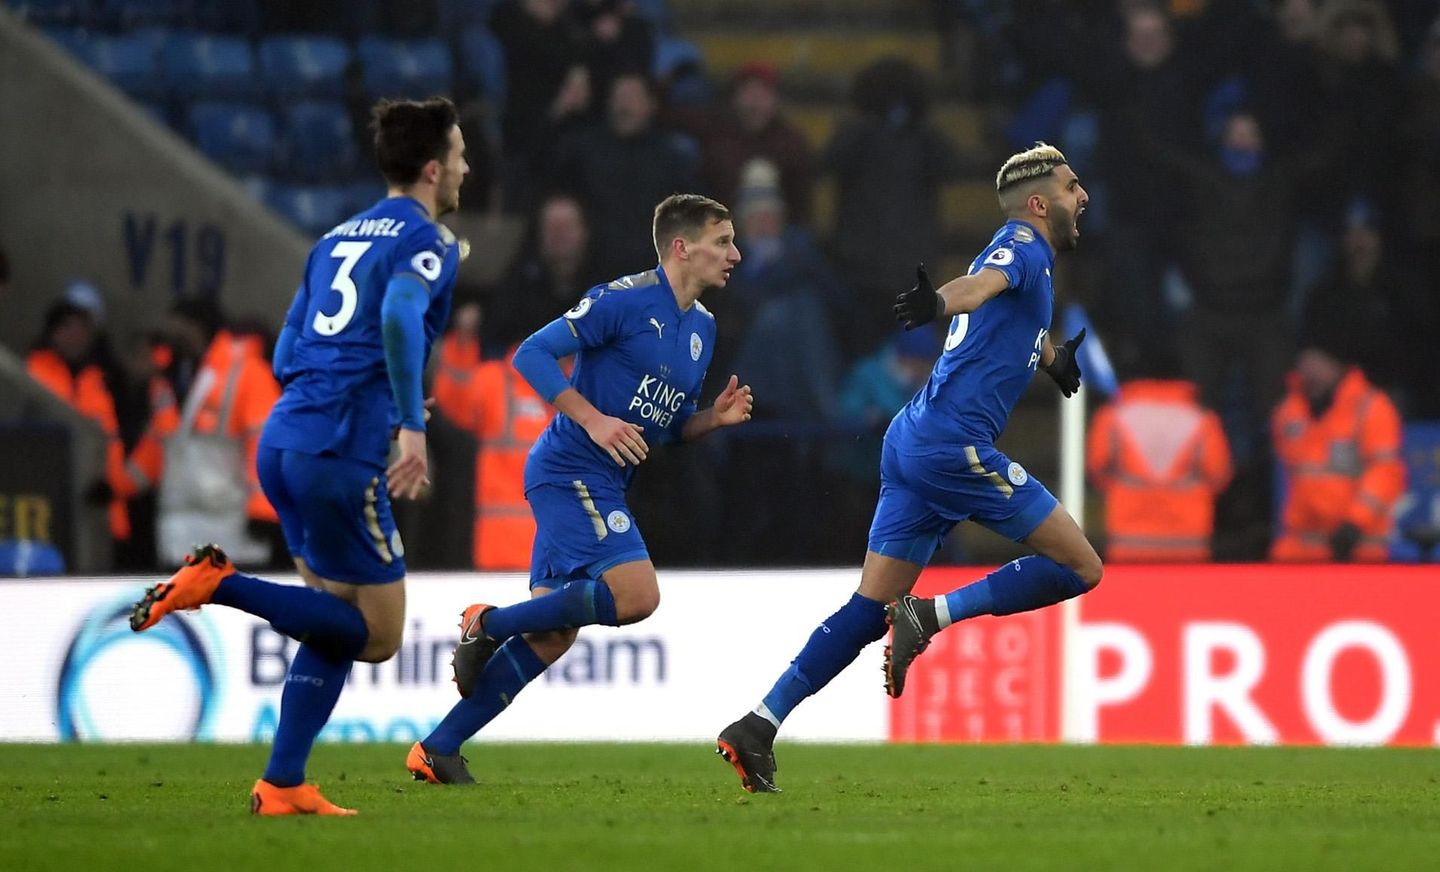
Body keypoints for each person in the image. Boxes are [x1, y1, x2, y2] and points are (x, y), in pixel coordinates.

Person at [715, 143, 1100, 793]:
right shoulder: (1023, 247)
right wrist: (939, 305)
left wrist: (1051, 357)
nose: (1082, 195)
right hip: (952, 446)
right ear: (1039, 204)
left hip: (913, 441)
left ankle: (758, 724)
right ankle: (933, 616)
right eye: (1070, 186)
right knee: (1080, 565)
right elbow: (977, 290)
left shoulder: (1023, 263)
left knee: (869, 610)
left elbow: (1004, 321)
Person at [129, 96, 470, 815]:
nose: (468, 168)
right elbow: (399, 314)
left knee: (328, 615)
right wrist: (406, 422)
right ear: (434, 168)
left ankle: (282, 781)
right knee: (376, 637)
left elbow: (287, 351)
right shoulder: (428, 239)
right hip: (340, 453)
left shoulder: (333, 239)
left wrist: (360, 394)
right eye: (462, 156)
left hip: (286, 440)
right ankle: (218, 584)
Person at [405, 194, 753, 785]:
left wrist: (708, 421)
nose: (735, 254)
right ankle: (486, 623)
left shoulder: (704, 329)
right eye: (722, 242)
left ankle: (437, 747)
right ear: (681, 247)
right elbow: (532, 354)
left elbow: (662, 432)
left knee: (552, 635)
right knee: (637, 595)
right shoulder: (623, 300)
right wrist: (592, 419)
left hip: (604, 479)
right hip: (570, 469)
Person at [1270, 331, 1404, 563]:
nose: (1309, 368)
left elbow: (1385, 472)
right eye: (1304, 360)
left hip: (1357, 545)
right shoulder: (1289, 410)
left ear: (1337, 364)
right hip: (1301, 548)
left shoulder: (1370, 407)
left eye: (1317, 360)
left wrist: (1355, 522)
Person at [1086, 359, 1233, 562]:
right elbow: (1218, 473)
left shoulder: (1112, 416)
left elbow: (1097, 466)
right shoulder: (1203, 418)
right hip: (1189, 539)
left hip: (1129, 539)